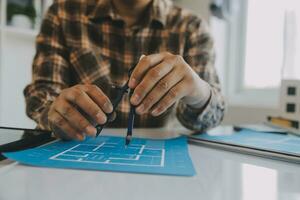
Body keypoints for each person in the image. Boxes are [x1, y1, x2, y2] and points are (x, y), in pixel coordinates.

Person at [24, 0, 226, 140]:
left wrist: (199, 93)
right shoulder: (62, 13)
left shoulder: (192, 27)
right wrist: (54, 111)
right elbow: (43, 93)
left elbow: (211, 116)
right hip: (75, 154)